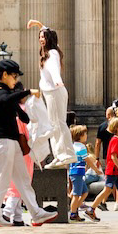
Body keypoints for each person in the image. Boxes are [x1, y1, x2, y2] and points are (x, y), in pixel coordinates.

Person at [0, 57, 56, 228]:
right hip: (3, 142)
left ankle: (36, 213)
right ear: (5, 75)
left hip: (12, 142)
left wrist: (28, 108)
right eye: (14, 76)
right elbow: (6, 100)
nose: (16, 80)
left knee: (23, 180)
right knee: (3, 179)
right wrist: (28, 92)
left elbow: (23, 116)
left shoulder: (8, 96)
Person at [27, 21, 74, 164]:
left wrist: (57, 80)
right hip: (50, 92)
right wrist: (38, 24)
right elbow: (46, 30)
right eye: (40, 37)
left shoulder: (53, 53)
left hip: (55, 90)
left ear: (49, 39)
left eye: (44, 37)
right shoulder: (48, 53)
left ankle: (67, 154)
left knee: (59, 123)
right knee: (52, 124)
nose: (41, 39)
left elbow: (54, 70)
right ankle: (58, 154)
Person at [91, 110, 118, 216]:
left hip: (116, 171)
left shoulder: (117, 139)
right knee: (107, 190)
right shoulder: (116, 140)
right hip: (114, 170)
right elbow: (113, 156)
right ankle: (91, 209)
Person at [68, 124, 97, 220]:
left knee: (84, 192)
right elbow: (87, 160)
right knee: (77, 195)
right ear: (80, 136)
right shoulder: (82, 147)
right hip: (78, 172)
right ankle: (73, 213)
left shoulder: (73, 146)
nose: (86, 136)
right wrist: (96, 169)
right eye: (85, 134)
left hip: (74, 172)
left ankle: (74, 207)